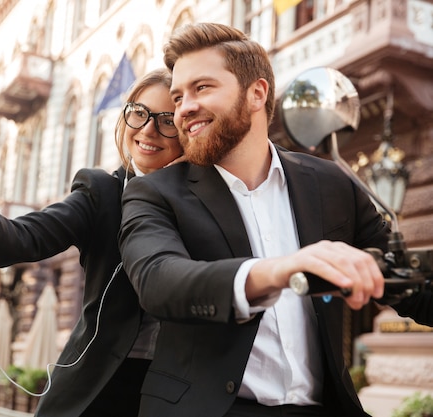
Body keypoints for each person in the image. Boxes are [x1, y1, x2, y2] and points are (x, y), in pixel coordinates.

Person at [118, 23, 433, 417]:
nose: (184, 108)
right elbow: (160, 281)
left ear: (256, 93)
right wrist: (280, 270)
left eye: (202, 88)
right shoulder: (154, 192)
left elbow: (408, 283)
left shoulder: (333, 182)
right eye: (178, 97)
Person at [0, 68, 183, 417]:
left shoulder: (207, 200)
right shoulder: (102, 194)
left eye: (167, 119)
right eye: (139, 113)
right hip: (95, 392)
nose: (148, 129)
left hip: (176, 392)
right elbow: (17, 240)